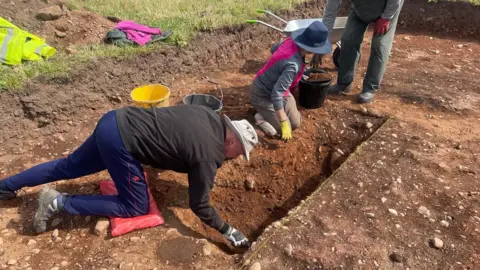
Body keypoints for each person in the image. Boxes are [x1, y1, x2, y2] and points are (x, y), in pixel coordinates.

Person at [0, 105, 258, 248]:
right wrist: (226, 229)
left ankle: (5, 186)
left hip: (115, 120)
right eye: (239, 152)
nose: (235, 158)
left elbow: (174, 131)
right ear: (232, 139)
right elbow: (199, 204)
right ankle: (58, 203)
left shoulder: (207, 114)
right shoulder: (208, 156)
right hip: (122, 143)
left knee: (67, 167)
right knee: (135, 205)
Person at [250, 21, 332, 141]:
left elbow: (274, 48)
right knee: (283, 128)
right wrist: (283, 122)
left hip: (280, 89)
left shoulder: (292, 42)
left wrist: (279, 67)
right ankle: (260, 117)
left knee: (296, 123)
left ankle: (271, 113)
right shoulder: (293, 65)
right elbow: (276, 94)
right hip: (262, 94)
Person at [323, 0, 404, 103]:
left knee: (380, 45)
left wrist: (386, 18)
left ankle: (370, 88)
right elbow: (331, 9)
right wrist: (323, 40)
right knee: (348, 39)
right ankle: (344, 83)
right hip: (360, 9)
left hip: (387, 5)